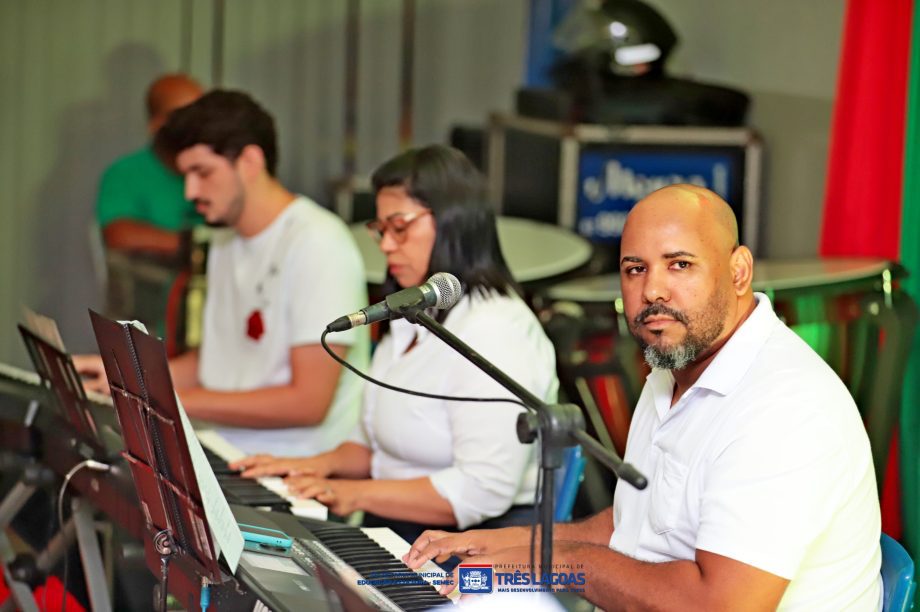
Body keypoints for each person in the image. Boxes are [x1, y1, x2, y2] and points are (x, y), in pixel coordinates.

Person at [403, 184, 882, 609]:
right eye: (635, 269)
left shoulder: (784, 406)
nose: (652, 289)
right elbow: (636, 525)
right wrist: (498, 546)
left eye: (680, 264)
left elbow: (720, 606)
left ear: (739, 272)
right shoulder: (673, 369)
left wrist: (555, 562)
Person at [233, 145, 559, 544]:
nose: (386, 246)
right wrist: (304, 469)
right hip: (399, 528)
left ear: (454, 223)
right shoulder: (411, 317)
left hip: (475, 545)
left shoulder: (496, 330)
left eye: (399, 227)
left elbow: (481, 491)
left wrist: (349, 493)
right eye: (381, 230)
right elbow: (377, 448)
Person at [78, 90, 369, 457]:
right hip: (224, 452)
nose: (190, 191)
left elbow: (309, 402)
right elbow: (214, 362)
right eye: (186, 175)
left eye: (202, 172)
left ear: (249, 161)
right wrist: (125, 377)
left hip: (292, 472)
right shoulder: (223, 241)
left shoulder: (318, 242)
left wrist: (160, 397)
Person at [97, 74, 204, 255]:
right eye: (183, 116)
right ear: (155, 123)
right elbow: (118, 235)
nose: (196, 126)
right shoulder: (126, 173)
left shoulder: (220, 168)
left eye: (202, 115)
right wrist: (198, 247)